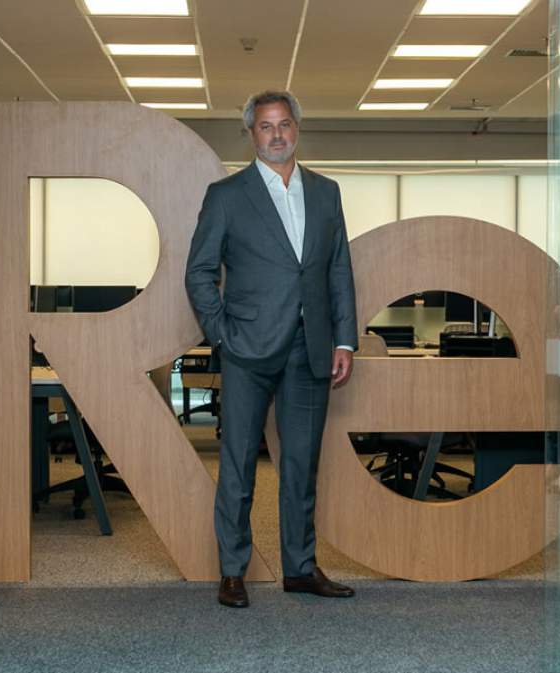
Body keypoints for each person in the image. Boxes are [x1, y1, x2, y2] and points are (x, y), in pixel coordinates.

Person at [185, 90, 359, 608]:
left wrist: (344, 338)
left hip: (311, 349)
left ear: (296, 129)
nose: (276, 134)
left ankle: (300, 569)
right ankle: (232, 571)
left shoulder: (326, 193)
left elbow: (337, 270)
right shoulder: (226, 195)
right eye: (266, 126)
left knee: (302, 466)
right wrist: (221, 333)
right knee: (239, 463)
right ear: (251, 133)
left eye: (284, 124)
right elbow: (199, 273)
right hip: (247, 349)